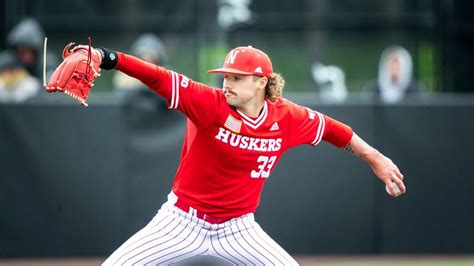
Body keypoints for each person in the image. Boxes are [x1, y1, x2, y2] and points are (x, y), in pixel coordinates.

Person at [87, 45, 405, 265]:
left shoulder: (287, 118)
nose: (227, 83)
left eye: (237, 78)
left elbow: (337, 132)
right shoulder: (208, 103)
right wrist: (107, 57)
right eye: (226, 76)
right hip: (181, 222)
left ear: (261, 83)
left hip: (238, 229)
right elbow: (156, 75)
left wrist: (375, 157)